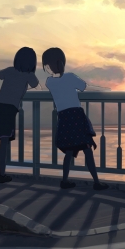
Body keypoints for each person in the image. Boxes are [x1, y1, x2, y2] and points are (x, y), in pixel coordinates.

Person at [43, 47, 108, 190]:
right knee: (87, 149)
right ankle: (96, 182)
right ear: (62, 62)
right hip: (76, 116)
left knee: (69, 151)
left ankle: (65, 180)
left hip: (64, 118)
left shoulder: (49, 82)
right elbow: (86, 87)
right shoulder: (70, 77)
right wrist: (104, 89)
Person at [0, 47, 39, 183]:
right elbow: (36, 85)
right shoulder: (29, 75)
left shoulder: (10, 70)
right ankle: (2, 174)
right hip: (8, 110)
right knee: (3, 143)